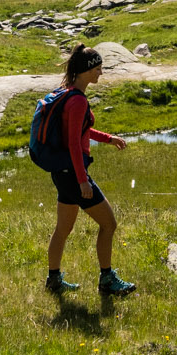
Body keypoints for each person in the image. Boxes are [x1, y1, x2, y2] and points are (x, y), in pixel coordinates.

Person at [42, 44, 134, 296]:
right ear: (85, 70)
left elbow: (79, 131)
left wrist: (108, 138)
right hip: (73, 174)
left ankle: (53, 280)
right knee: (109, 224)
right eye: (97, 68)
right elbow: (73, 142)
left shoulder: (66, 93)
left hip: (61, 172)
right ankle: (107, 279)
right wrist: (83, 180)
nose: (100, 73)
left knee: (63, 229)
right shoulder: (78, 100)